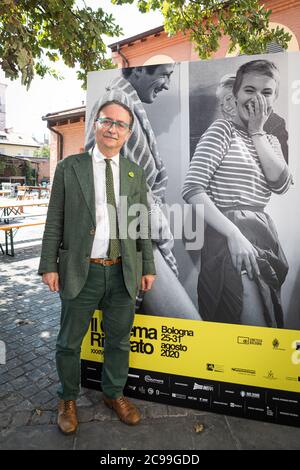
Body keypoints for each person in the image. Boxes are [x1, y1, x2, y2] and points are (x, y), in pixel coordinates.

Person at [38, 100, 156, 434]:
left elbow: (141, 225)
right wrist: (49, 265)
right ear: (96, 125)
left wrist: (147, 266)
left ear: (128, 133)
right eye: (107, 121)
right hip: (81, 271)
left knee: (118, 341)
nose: (113, 128)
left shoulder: (134, 172)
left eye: (121, 124)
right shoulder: (68, 168)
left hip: (123, 271)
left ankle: (113, 394)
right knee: (68, 343)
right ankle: (68, 398)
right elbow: (54, 221)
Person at [182, 59, 293, 328]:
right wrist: (233, 233)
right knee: (250, 326)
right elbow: (192, 189)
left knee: (267, 325)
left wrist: (257, 131)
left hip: (263, 234)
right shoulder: (222, 130)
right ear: (237, 94)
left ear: (274, 98)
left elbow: (281, 184)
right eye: (249, 90)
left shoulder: (271, 141)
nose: (256, 98)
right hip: (229, 236)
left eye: (266, 92)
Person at [86, 64, 200, 320]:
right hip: (131, 237)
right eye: (165, 74)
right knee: (186, 326)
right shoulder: (114, 102)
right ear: (137, 72)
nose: (168, 84)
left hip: (139, 230)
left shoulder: (125, 104)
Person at [215, 72, 289, 162]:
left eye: (230, 99)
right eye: (222, 103)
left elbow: (283, 168)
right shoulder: (223, 129)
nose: (226, 107)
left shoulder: (274, 123)